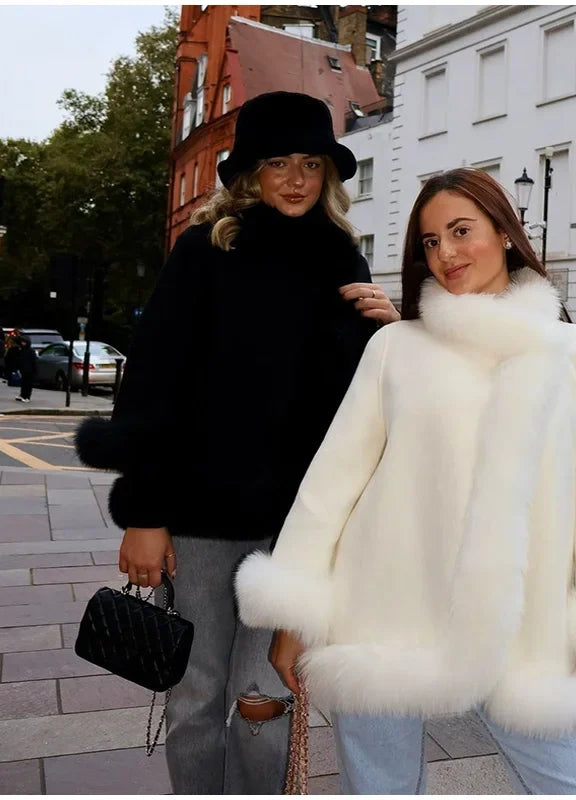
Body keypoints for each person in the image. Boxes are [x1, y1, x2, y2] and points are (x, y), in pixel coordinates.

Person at [235, 168, 576, 794]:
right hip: (379, 617)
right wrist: (294, 614)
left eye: (461, 231)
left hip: (524, 636)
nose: (445, 252)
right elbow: (329, 487)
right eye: (430, 241)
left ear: (504, 233)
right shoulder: (394, 347)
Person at [74, 91, 399, 795]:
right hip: (199, 521)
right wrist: (144, 513)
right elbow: (152, 388)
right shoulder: (204, 251)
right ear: (251, 172)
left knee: (265, 696)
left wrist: (391, 334)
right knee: (195, 694)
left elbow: (366, 407)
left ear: (328, 174)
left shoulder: (343, 260)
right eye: (278, 162)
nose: (296, 179)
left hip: (298, 530)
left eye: (310, 163)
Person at [13, 335, 36, 402]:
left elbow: (34, 361)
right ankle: (22, 395)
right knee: (23, 383)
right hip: (23, 369)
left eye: (24, 342)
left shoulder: (30, 351)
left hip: (29, 370)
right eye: (22, 342)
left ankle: (27, 397)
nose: (22, 343)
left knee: (28, 384)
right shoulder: (22, 350)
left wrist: (34, 370)